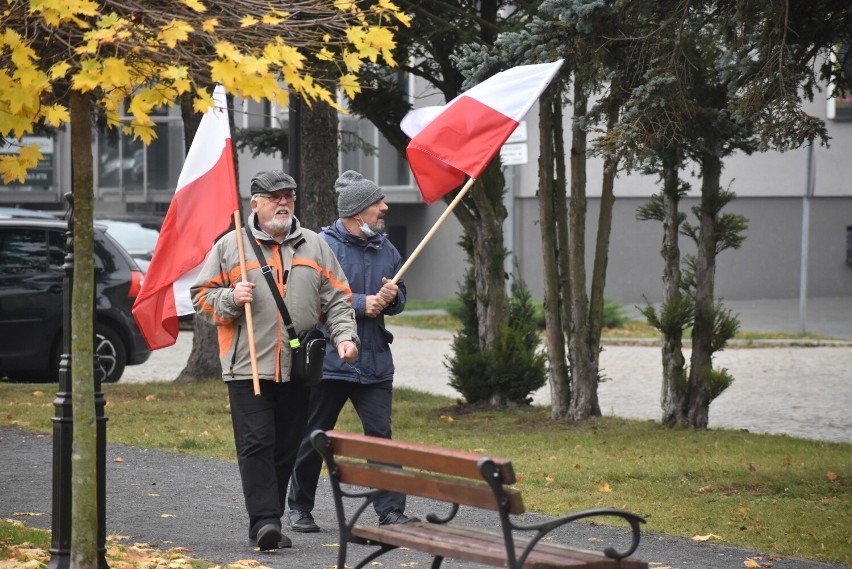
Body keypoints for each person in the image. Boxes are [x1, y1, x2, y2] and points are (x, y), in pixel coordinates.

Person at [191, 170, 359, 551]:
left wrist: (346, 338)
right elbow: (201, 297)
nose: (283, 203)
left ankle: (270, 518)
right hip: (246, 367)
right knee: (257, 443)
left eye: (289, 196)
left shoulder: (315, 245)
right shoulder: (230, 246)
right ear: (256, 204)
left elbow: (337, 299)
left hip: (297, 368)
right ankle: (265, 521)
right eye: (274, 197)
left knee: (285, 447)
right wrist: (231, 299)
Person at [286, 170, 417, 533]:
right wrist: (362, 303)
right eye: (378, 203)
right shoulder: (319, 247)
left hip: (374, 363)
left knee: (381, 438)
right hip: (329, 363)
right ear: (358, 212)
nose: (385, 208)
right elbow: (308, 299)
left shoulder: (386, 248)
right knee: (315, 436)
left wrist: (394, 298)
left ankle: (390, 511)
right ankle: (300, 508)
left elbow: (399, 294)